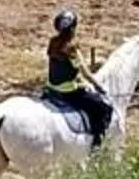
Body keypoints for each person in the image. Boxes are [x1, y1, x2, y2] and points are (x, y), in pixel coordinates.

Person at [42, 9, 113, 143]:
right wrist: (99, 87)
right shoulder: (72, 49)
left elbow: (64, 67)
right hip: (68, 92)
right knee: (102, 108)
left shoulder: (53, 42)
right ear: (72, 28)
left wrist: (78, 79)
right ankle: (97, 142)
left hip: (51, 89)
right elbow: (86, 73)